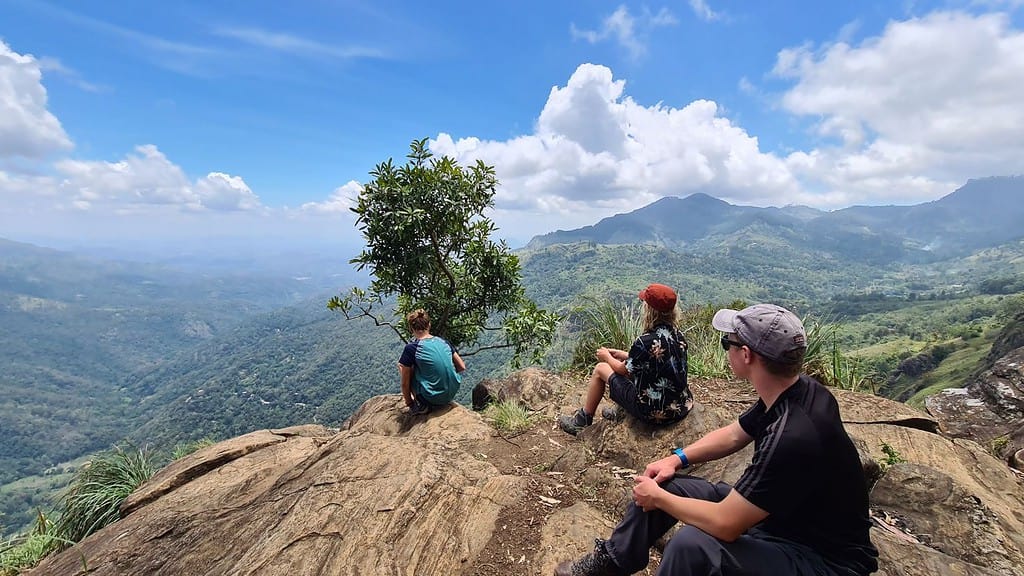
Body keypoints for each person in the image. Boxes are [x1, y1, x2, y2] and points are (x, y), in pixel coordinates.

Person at [554, 303, 879, 576]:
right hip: (782, 518)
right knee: (666, 482)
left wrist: (657, 499)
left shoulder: (793, 437)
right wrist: (676, 458)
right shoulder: (800, 391)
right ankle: (615, 560)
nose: (726, 347)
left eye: (728, 343)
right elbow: (736, 432)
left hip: (822, 559)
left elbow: (726, 525)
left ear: (747, 355)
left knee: (690, 547)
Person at [558, 283, 692, 435]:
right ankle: (622, 412)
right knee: (634, 373)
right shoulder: (677, 335)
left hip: (653, 413)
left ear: (650, 311)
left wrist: (607, 357)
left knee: (600, 369)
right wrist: (625, 355)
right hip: (680, 407)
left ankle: (582, 420)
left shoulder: (645, 341)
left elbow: (623, 370)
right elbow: (657, 361)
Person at [398, 309, 466, 415]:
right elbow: (461, 366)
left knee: (403, 367)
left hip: (431, 398)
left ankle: (417, 406)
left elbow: (405, 383)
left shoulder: (412, 348)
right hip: (451, 393)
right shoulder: (443, 342)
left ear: (411, 328)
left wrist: (409, 403)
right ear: (429, 325)